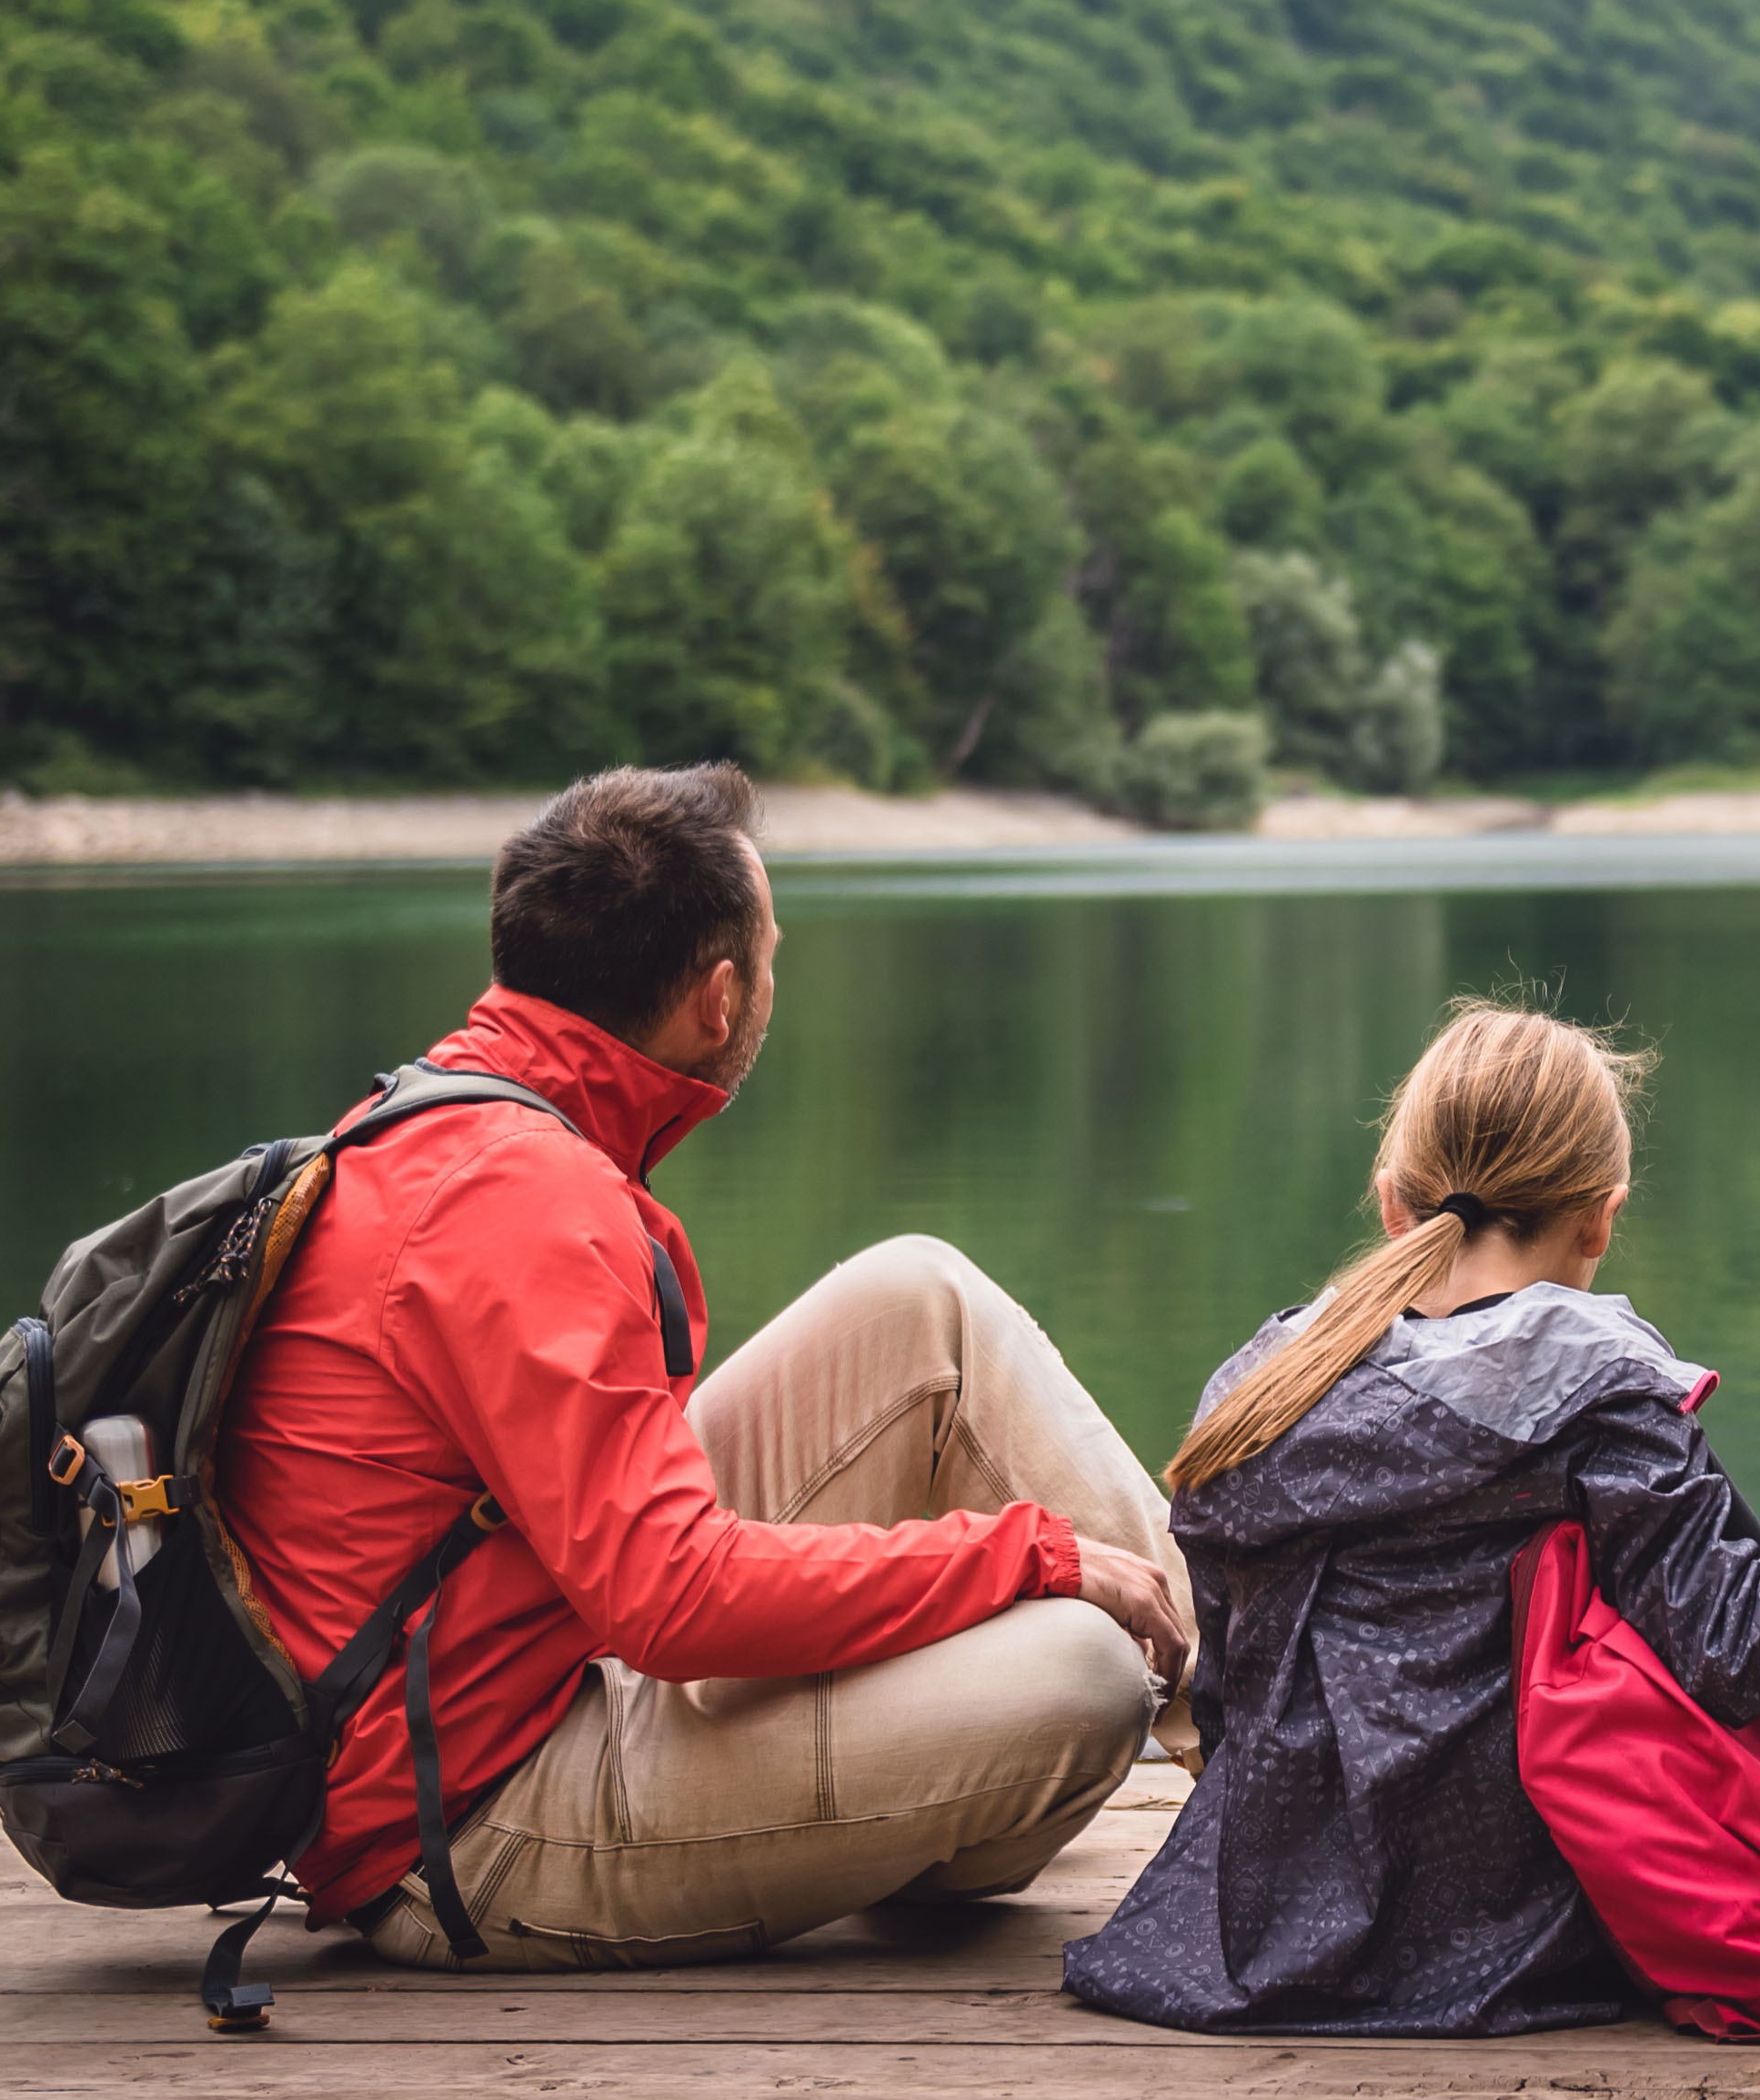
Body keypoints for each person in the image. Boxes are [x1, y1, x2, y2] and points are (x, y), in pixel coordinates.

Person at [212, 763, 1199, 1971]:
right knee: (1084, 1673)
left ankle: (1262, 1750)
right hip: (469, 1826)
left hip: (535, 1653)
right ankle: (1281, 1772)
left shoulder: (454, 1121)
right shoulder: (529, 1203)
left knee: (918, 1300)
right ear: (719, 998)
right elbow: (673, 1605)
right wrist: (1026, 1557)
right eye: (777, 950)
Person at [1066, 1000, 1760, 2035]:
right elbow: (1749, 1647)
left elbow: (1229, 1683)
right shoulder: (1594, 1392)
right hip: (1502, 1931)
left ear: (1392, 1200)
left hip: (1250, 1922)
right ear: (1600, 1215)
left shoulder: (1260, 1384)